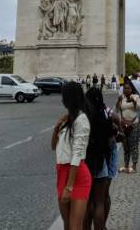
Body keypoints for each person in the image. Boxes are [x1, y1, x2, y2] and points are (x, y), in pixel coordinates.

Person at [51, 82, 92, 230]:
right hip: (62, 172)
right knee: (67, 225)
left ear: (70, 98)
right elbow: (53, 147)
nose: (62, 99)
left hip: (77, 176)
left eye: (64, 96)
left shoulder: (82, 119)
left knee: (75, 227)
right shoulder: (67, 119)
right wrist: (56, 128)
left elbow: (78, 153)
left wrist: (69, 186)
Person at [84, 86, 119, 230]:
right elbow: (115, 129)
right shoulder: (105, 114)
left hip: (88, 161)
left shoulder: (84, 116)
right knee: (101, 199)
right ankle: (102, 227)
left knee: (88, 202)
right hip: (104, 159)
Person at [116, 81, 140, 173]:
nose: (126, 90)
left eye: (128, 88)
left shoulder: (136, 97)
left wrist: (134, 101)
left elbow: (139, 108)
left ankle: (134, 166)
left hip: (134, 124)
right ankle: (126, 166)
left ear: (132, 89)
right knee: (125, 146)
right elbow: (117, 109)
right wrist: (118, 101)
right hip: (123, 125)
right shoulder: (121, 97)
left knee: (133, 145)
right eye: (125, 88)